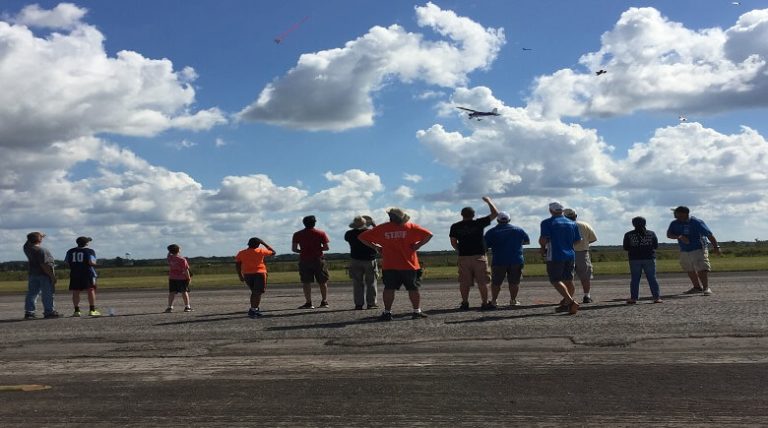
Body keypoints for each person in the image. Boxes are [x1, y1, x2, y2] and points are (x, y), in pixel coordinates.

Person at [358, 208, 433, 321]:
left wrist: (376, 247)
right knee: (413, 288)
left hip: (390, 265)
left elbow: (362, 237)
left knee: (389, 289)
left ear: (390, 217)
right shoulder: (410, 226)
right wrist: (418, 245)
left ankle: (387, 312)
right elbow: (429, 235)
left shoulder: (383, 228)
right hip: (410, 265)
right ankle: (416, 311)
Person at [449, 196, 499, 310]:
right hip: (479, 256)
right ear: (473, 214)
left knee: (464, 282)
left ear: (462, 214)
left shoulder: (455, 226)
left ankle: (465, 302)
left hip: (464, 257)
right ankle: (485, 303)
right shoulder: (479, 223)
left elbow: (453, 242)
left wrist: (459, 250)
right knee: (483, 281)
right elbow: (495, 214)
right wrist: (489, 201)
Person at [666, 206, 721, 295]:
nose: (674, 215)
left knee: (701, 268)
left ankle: (706, 288)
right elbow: (669, 234)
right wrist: (679, 236)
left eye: (676, 213)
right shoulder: (674, 223)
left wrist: (716, 247)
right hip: (684, 249)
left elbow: (709, 234)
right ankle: (696, 287)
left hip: (699, 248)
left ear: (684, 214)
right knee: (689, 268)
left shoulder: (696, 222)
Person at [539, 202, 581, 315]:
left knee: (555, 280)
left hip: (555, 255)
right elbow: (577, 240)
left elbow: (544, 239)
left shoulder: (547, 223)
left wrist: (542, 247)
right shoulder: (572, 223)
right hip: (570, 254)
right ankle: (566, 304)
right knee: (569, 280)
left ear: (551, 211)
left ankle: (570, 302)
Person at [484, 211, 530, 307]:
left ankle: (494, 301)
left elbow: (485, 247)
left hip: (499, 260)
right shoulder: (519, 230)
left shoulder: (491, 232)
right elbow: (526, 241)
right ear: (509, 220)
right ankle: (513, 300)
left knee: (496, 282)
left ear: (497, 220)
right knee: (514, 282)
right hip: (516, 259)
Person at [292, 215, 331, 309]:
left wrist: (303, 251)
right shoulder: (321, 233)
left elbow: (294, 249)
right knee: (322, 281)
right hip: (318, 259)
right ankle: (324, 301)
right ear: (314, 223)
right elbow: (326, 247)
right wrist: (317, 249)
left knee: (306, 282)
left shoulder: (297, 234)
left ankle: (309, 302)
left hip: (304, 260)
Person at [623, 217, 662, 304]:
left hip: (634, 259)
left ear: (633, 224)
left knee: (635, 279)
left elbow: (626, 247)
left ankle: (634, 298)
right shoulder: (651, 233)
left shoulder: (628, 234)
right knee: (652, 278)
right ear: (645, 223)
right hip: (649, 258)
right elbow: (655, 246)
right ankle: (656, 297)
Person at [563, 208, 598, 303]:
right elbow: (593, 239)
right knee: (585, 276)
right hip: (582, 253)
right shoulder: (585, 225)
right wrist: (584, 243)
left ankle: (567, 297)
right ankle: (587, 296)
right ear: (575, 216)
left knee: (567, 277)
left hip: (566, 253)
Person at [236, 237, 276, 318]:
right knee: (257, 292)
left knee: (255, 292)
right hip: (259, 273)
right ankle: (253, 310)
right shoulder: (261, 251)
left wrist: (240, 275)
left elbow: (237, 264)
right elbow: (273, 252)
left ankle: (254, 309)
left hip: (247, 274)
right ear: (258, 244)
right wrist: (264, 243)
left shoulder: (241, 253)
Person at [344, 215, 378, 310]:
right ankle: (371, 303)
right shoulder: (369, 232)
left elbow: (348, 239)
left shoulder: (349, 234)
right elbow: (379, 235)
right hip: (369, 259)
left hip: (355, 259)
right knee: (371, 282)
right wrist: (373, 225)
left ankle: (358, 304)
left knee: (357, 283)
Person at [23, 232, 59, 319]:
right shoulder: (42, 250)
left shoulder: (28, 248)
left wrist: (35, 236)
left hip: (33, 274)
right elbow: (44, 265)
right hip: (44, 274)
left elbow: (27, 243)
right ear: (40, 239)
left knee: (32, 294)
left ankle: (29, 312)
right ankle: (49, 312)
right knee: (47, 294)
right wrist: (52, 276)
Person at [65, 236, 100, 317]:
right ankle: (92, 310)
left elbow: (66, 262)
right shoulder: (90, 251)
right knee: (90, 290)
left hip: (75, 273)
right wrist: (97, 264)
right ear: (87, 243)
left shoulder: (70, 251)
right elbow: (91, 262)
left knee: (76, 291)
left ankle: (76, 311)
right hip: (87, 273)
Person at [165, 244, 192, 313]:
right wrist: (188, 278)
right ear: (178, 250)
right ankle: (187, 306)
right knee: (184, 292)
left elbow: (168, 255)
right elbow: (186, 270)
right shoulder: (182, 260)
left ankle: (169, 307)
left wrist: (170, 251)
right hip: (181, 278)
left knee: (172, 292)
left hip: (172, 278)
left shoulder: (170, 258)